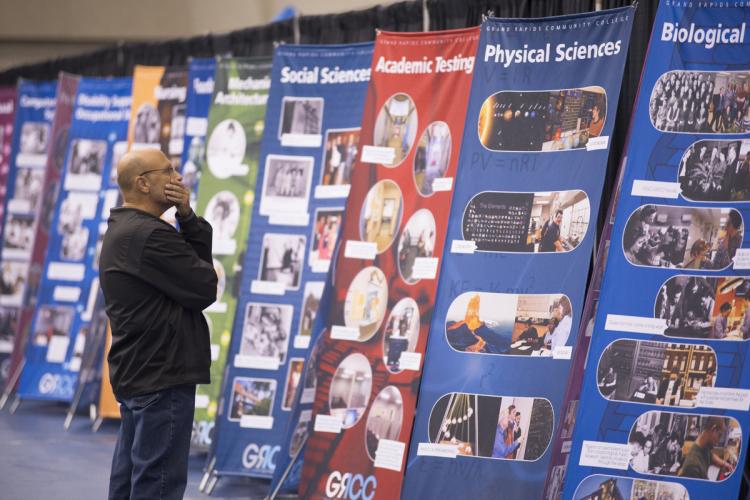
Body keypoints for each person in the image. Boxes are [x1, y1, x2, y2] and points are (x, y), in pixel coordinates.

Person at [100, 149, 218, 500]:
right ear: (142, 182)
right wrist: (189, 219)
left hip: (141, 373)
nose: (178, 178)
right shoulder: (150, 235)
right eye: (168, 171)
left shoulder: (124, 228)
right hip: (161, 376)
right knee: (158, 484)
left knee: (131, 478)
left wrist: (186, 216)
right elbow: (204, 286)